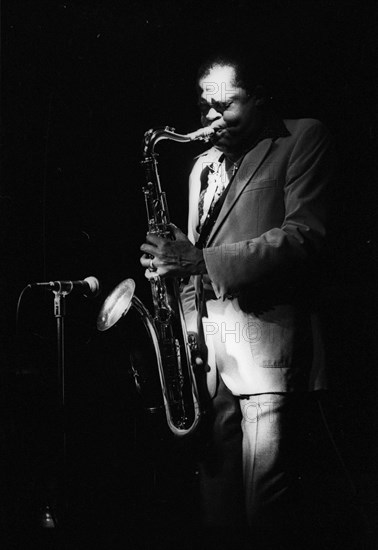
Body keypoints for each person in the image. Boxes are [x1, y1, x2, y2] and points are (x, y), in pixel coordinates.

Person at [140, 52, 339, 549]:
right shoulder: (201, 167)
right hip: (207, 358)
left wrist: (198, 260)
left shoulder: (302, 138)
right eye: (206, 105)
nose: (210, 118)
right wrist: (170, 280)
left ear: (260, 97)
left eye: (226, 105)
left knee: (266, 513)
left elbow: (302, 237)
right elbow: (191, 260)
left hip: (268, 352)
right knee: (217, 516)